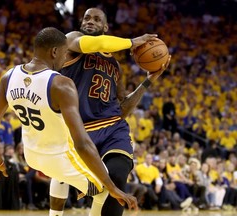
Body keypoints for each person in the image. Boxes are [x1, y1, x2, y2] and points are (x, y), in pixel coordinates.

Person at [0, 27, 137, 212]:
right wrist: (113, 188)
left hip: (31, 156)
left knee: (78, 179)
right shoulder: (61, 84)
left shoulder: (9, 76)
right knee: (106, 191)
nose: (65, 59)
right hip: (60, 157)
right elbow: (82, 144)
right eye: (64, 53)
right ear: (55, 52)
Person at [50, 7, 171, 216]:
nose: (90, 21)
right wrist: (132, 42)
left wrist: (148, 81)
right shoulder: (71, 40)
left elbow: (122, 107)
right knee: (62, 174)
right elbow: (93, 44)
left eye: (97, 19)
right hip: (78, 128)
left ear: (105, 27)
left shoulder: (115, 65)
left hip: (113, 128)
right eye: (87, 18)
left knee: (117, 177)